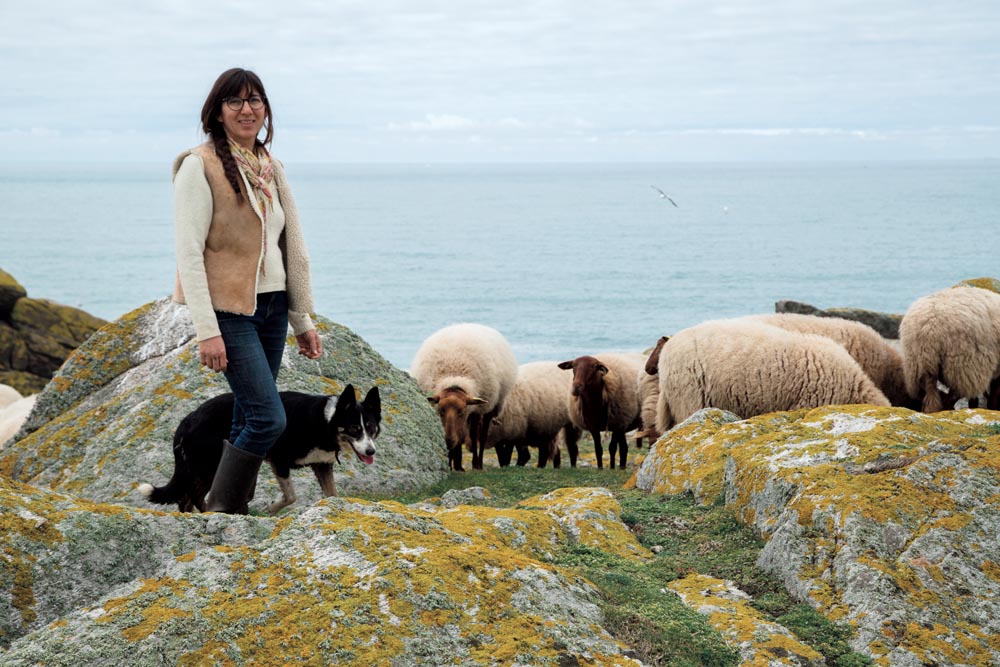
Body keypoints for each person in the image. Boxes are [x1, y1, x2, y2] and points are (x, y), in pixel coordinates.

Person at [172, 68, 322, 514]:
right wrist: (207, 330)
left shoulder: (268, 168)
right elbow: (189, 254)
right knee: (268, 418)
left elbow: (285, 246)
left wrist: (301, 320)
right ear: (217, 112)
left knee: (244, 416)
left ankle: (222, 511)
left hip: (273, 308)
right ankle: (224, 508)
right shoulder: (199, 166)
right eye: (234, 101)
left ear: (265, 110)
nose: (247, 109)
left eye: (255, 100)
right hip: (229, 312)